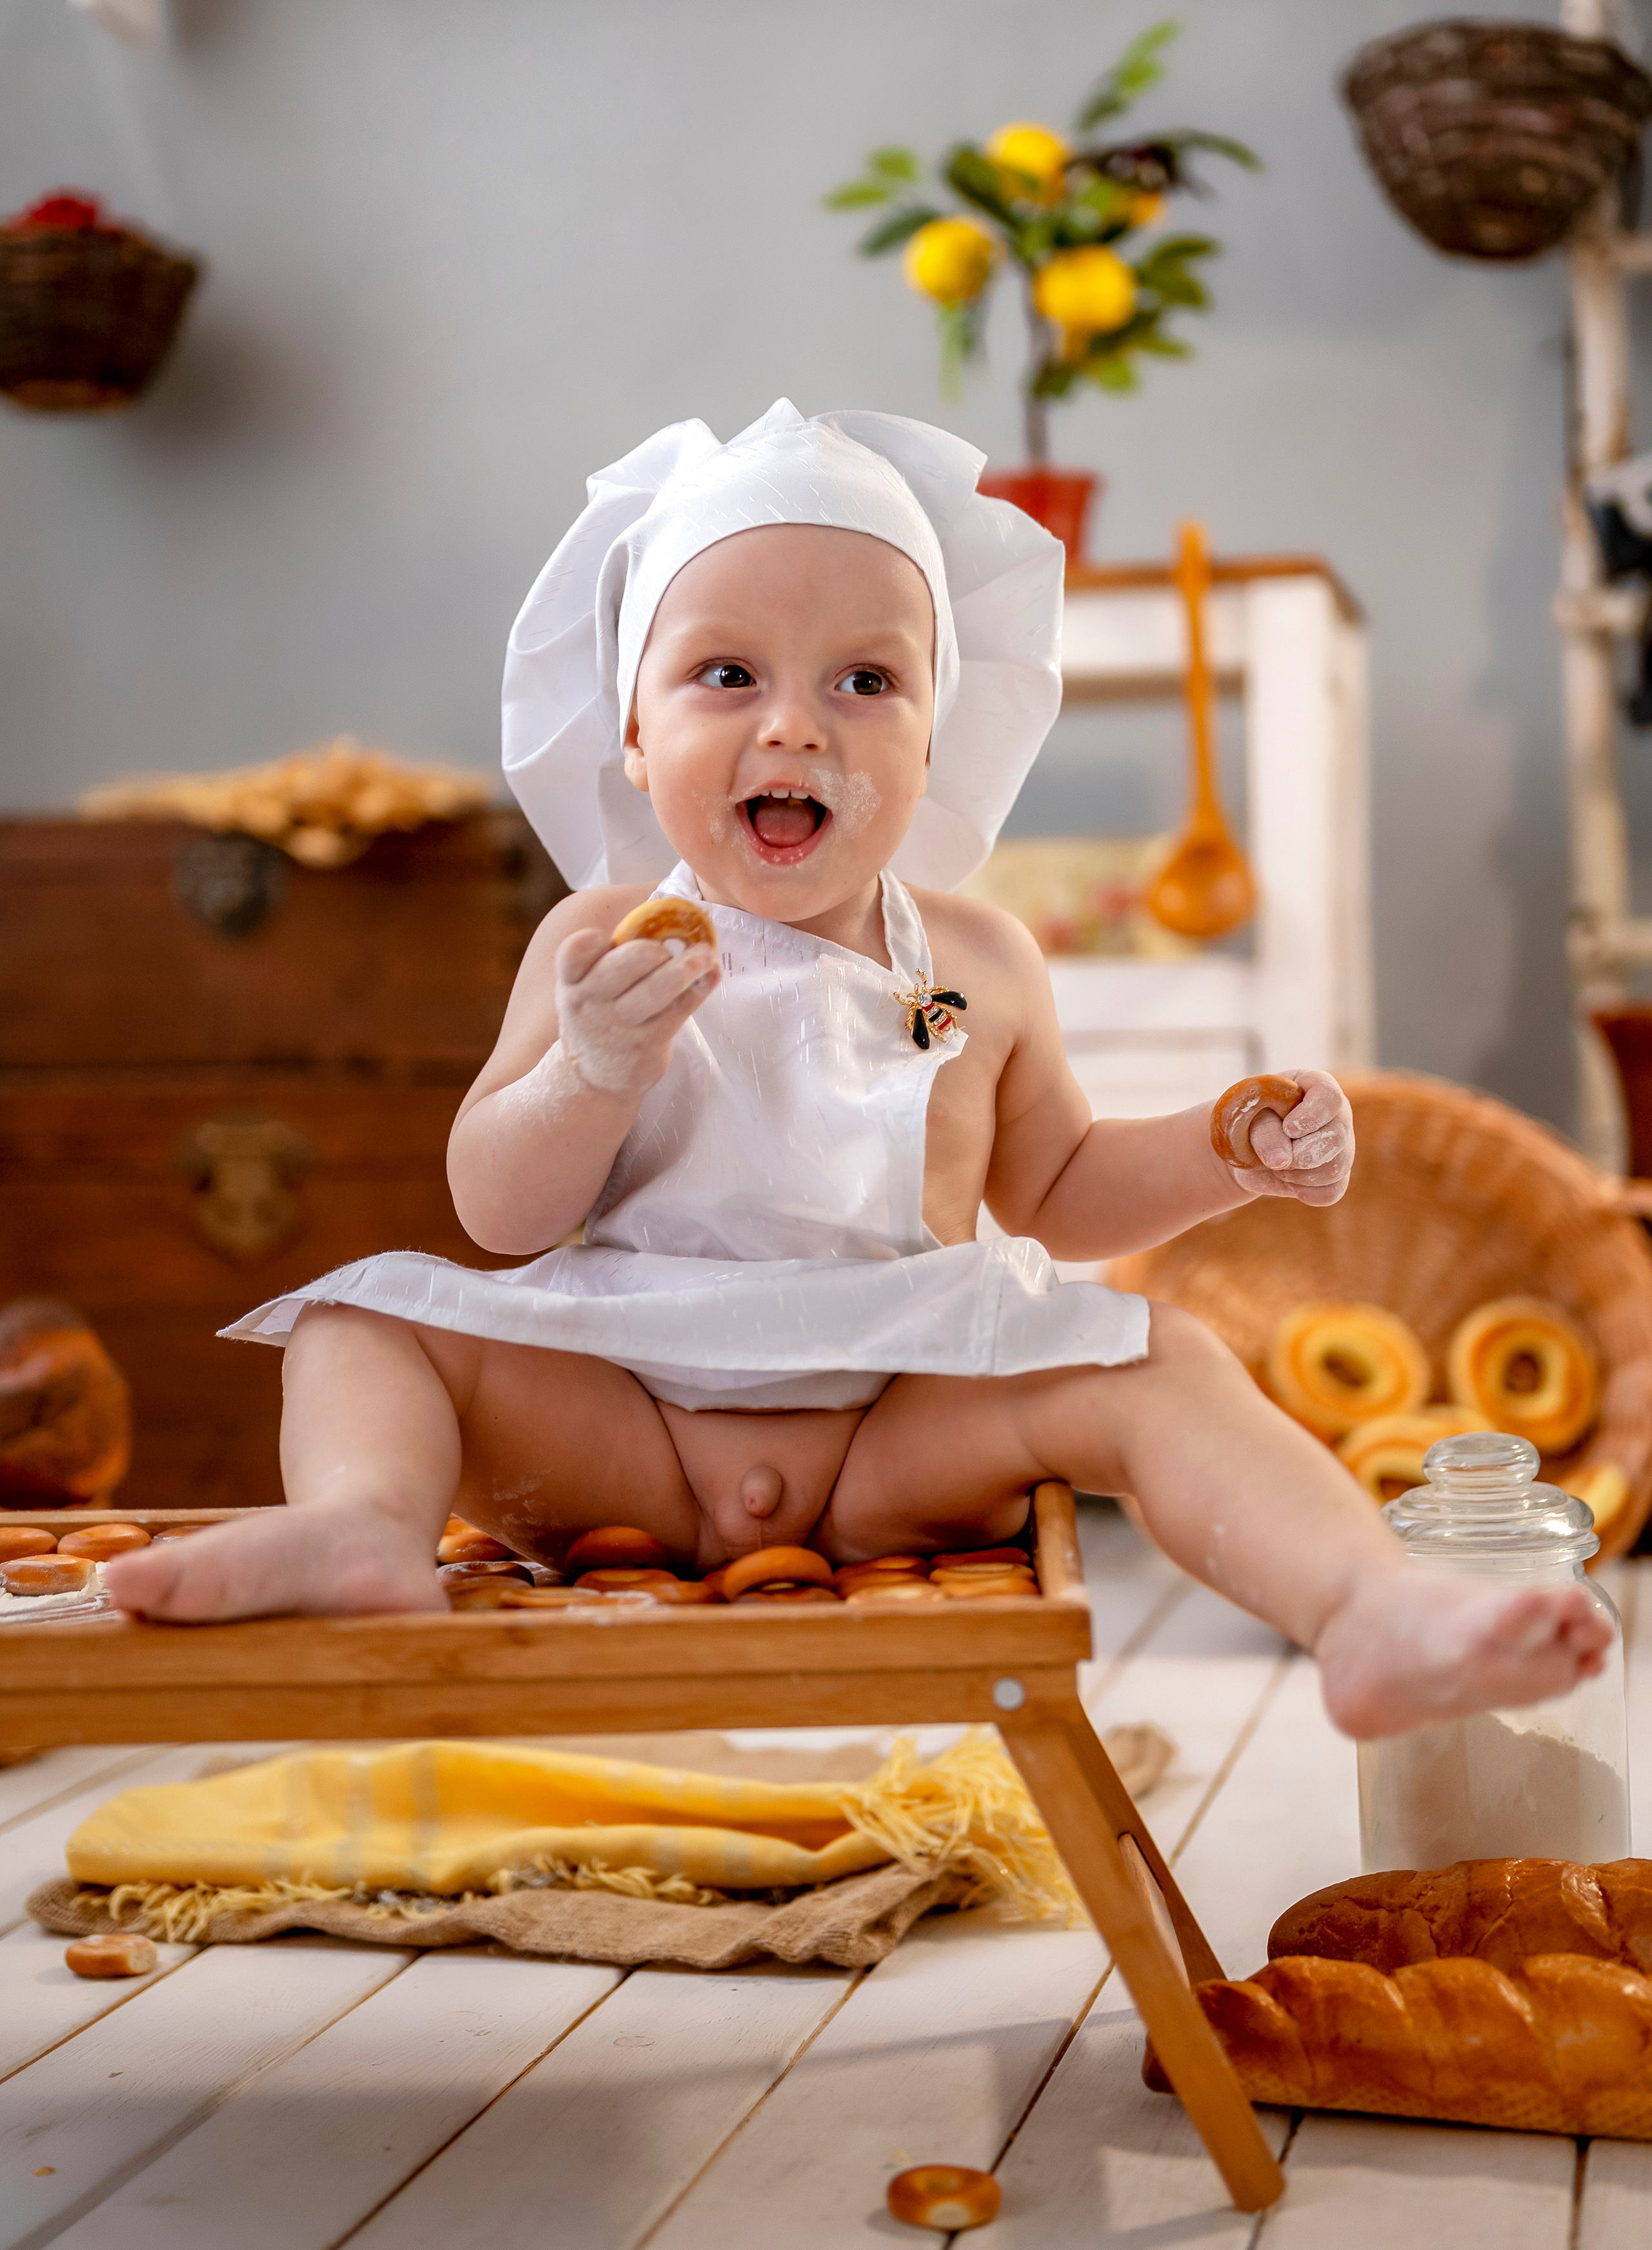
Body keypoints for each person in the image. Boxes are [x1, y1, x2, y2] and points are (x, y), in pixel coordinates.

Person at [106, 403, 1609, 1739]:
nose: (792, 724)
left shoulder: (980, 957)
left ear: (934, 734)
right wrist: (592, 1068)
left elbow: (1062, 1192)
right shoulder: (593, 941)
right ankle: (365, 1526)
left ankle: (1363, 1608)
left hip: (897, 1424)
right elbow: (497, 1209)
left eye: (864, 682)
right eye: (726, 673)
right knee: (362, 1318)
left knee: (1160, 1356)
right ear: (634, 732)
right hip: (628, 1423)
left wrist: (1222, 1152)